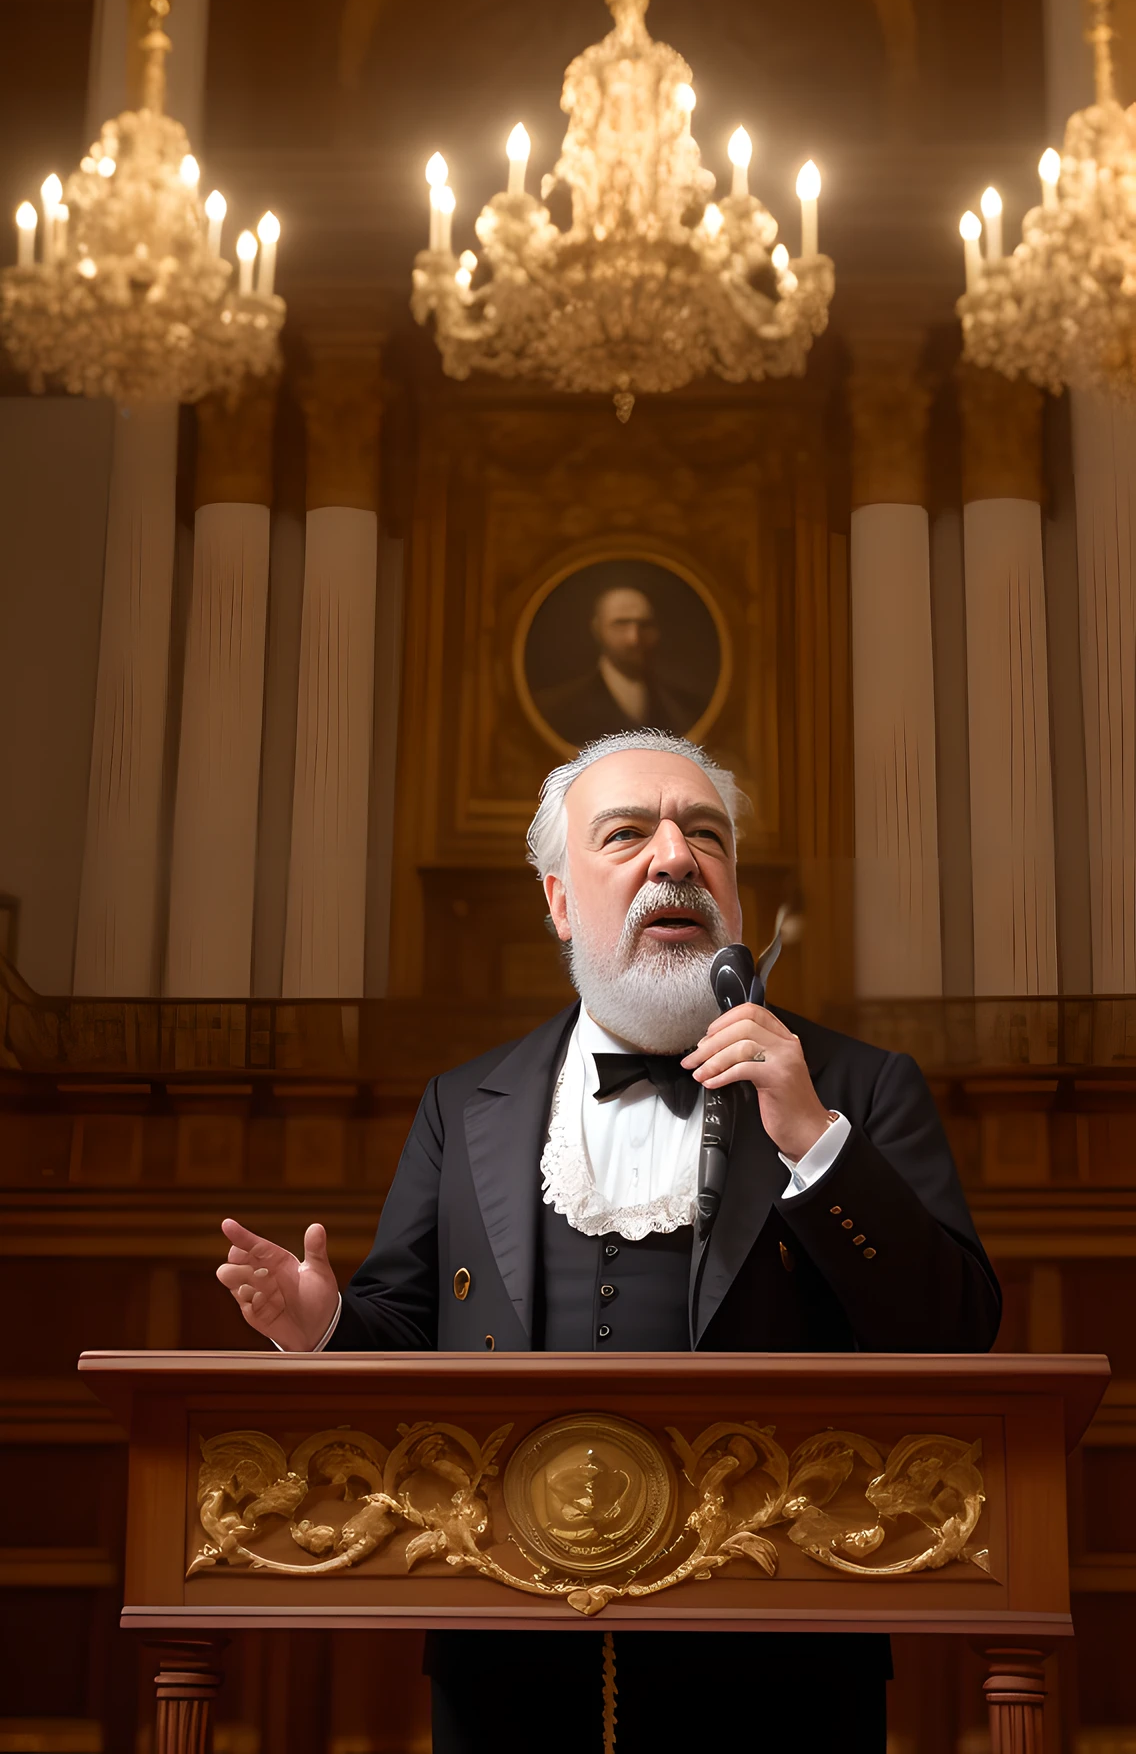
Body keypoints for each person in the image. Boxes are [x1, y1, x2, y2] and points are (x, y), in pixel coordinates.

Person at [217, 728, 1000, 1754]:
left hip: (783, 1641)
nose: (673, 856)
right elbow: (406, 1345)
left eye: (702, 834)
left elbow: (952, 1336)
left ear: (728, 884)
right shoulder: (463, 1105)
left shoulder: (857, 1086)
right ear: (556, 899)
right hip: (503, 1640)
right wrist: (322, 1327)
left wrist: (812, 1137)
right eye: (627, 831)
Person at [534, 585, 701, 744]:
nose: (634, 638)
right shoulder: (556, 709)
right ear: (597, 629)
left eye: (644, 625)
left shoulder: (686, 707)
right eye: (620, 624)